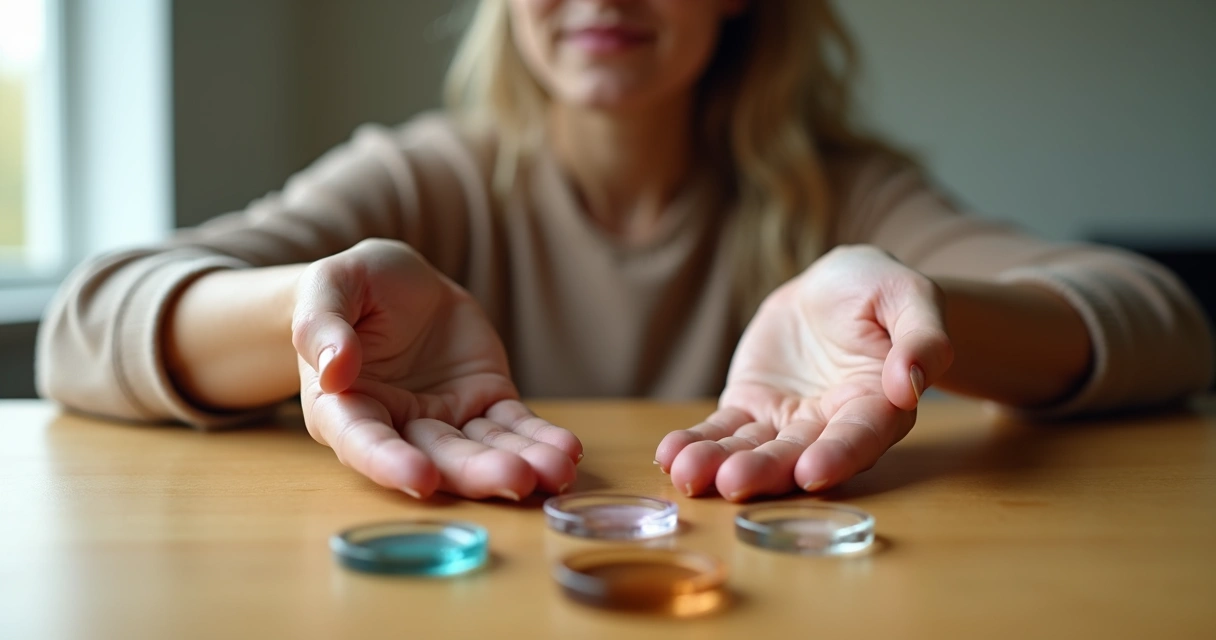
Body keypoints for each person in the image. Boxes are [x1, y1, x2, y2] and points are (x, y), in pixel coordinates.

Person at [36, 0, 1213, 503]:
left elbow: (1157, 319)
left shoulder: (841, 193)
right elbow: (85, 326)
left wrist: (922, 315)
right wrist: (308, 308)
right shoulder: (422, 174)